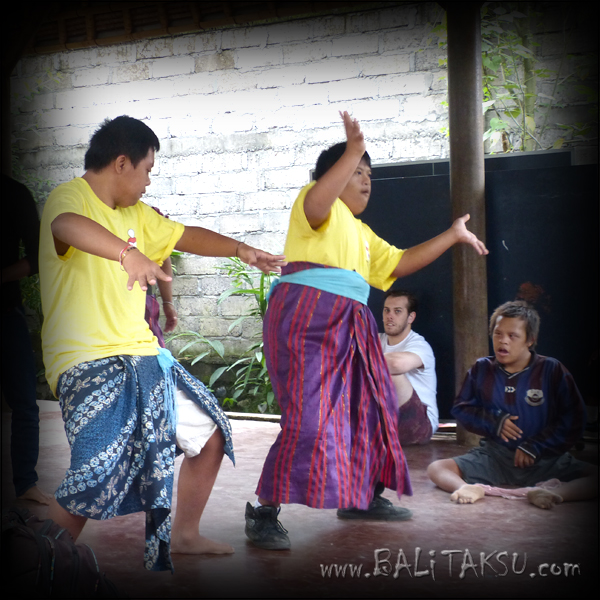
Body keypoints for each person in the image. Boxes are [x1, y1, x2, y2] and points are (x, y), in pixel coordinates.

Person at [39, 115, 285, 571]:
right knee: (95, 470)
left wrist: (240, 249)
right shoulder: (68, 199)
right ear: (121, 163)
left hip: (145, 358)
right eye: (148, 170)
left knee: (210, 434)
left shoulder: (137, 215)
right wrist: (126, 253)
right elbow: (67, 225)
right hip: (86, 361)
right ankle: (36, 557)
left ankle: (186, 535)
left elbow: (185, 235)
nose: (149, 182)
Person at [244, 111, 488, 550]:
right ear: (330, 178)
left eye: (368, 174)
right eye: (356, 172)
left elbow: (400, 264)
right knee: (310, 419)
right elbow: (321, 200)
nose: (365, 180)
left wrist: (452, 235)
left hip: (351, 322)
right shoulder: (314, 207)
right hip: (307, 320)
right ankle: (263, 512)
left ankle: (360, 497)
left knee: (370, 410)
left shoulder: (362, 233)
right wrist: (352, 148)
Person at [427, 300, 598, 509]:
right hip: (495, 456)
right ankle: (466, 488)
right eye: (498, 334)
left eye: (512, 336)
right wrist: (494, 421)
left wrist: (536, 446)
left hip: (545, 459)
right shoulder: (482, 369)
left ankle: (552, 494)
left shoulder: (551, 370)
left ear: (530, 340)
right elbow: (461, 409)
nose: (503, 341)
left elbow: (574, 419)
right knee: (436, 468)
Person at [1, 174, 53, 505]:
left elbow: (38, 258)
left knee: (23, 402)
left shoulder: (13, 193)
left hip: (5, 311)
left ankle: (26, 483)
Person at [379, 289, 438, 445]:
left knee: (390, 371)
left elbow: (395, 364)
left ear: (410, 317)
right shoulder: (376, 340)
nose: (389, 316)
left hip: (419, 424)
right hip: (385, 421)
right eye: (387, 310)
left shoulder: (419, 345)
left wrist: (359, 360)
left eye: (397, 311)